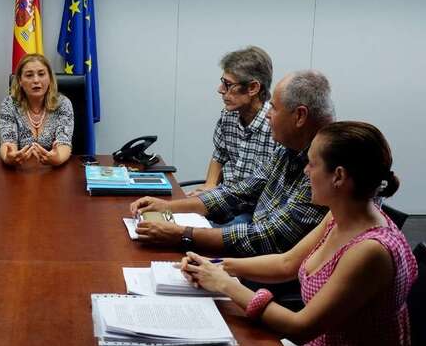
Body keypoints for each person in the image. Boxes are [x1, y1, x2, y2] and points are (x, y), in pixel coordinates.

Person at [180, 121, 417, 346]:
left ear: (338, 176)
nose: (305, 171)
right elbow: (286, 263)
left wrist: (227, 286)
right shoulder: (340, 215)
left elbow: (301, 328)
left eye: (312, 164)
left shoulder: (369, 251)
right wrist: (216, 266)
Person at [130, 70, 334, 256]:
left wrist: (182, 234)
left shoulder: (325, 166)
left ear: (299, 116)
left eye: (273, 107)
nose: (268, 114)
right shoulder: (287, 149)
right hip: (252, 257)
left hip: (269, 272)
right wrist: (168, 207)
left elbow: (271, 237)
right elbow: (238, 193)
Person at [190, 46, 277, 196]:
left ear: (253, 88)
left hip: (252, 207)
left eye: (228, 84)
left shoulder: (276, 126)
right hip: (226, 198)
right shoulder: (228, 115)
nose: (220, 89)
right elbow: (220, 154)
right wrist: (209, 185)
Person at [0, 53, 74, 166]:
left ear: (50, 79)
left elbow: (64, 143)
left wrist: (57, 158)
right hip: (20, 172)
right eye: (29, 75)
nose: (36, 80)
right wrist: (9, 158)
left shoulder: (62, 103)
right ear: (20, 81)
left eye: (41, 74)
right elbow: (8, 143)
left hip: (54, 171)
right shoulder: (9, 104)